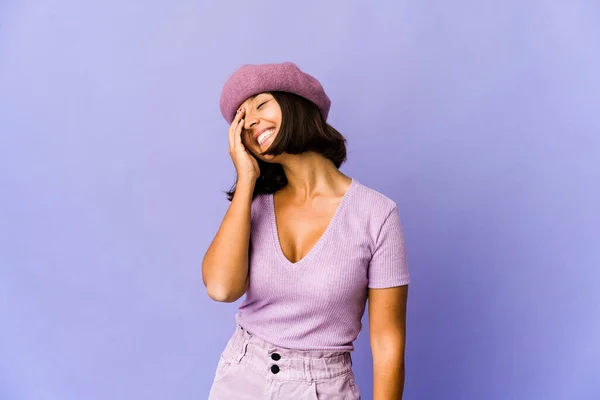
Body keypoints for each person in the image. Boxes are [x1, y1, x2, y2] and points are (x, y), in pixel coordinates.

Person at [202, 62, 410, 399]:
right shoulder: (253, 206)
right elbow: (221, 288)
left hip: (323, 386)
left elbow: (388, 343)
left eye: (261, 104)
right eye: (241, 120)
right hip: (240, 378)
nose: (250, 120)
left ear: (296, 104)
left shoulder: (377, 214)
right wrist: (246, 179)